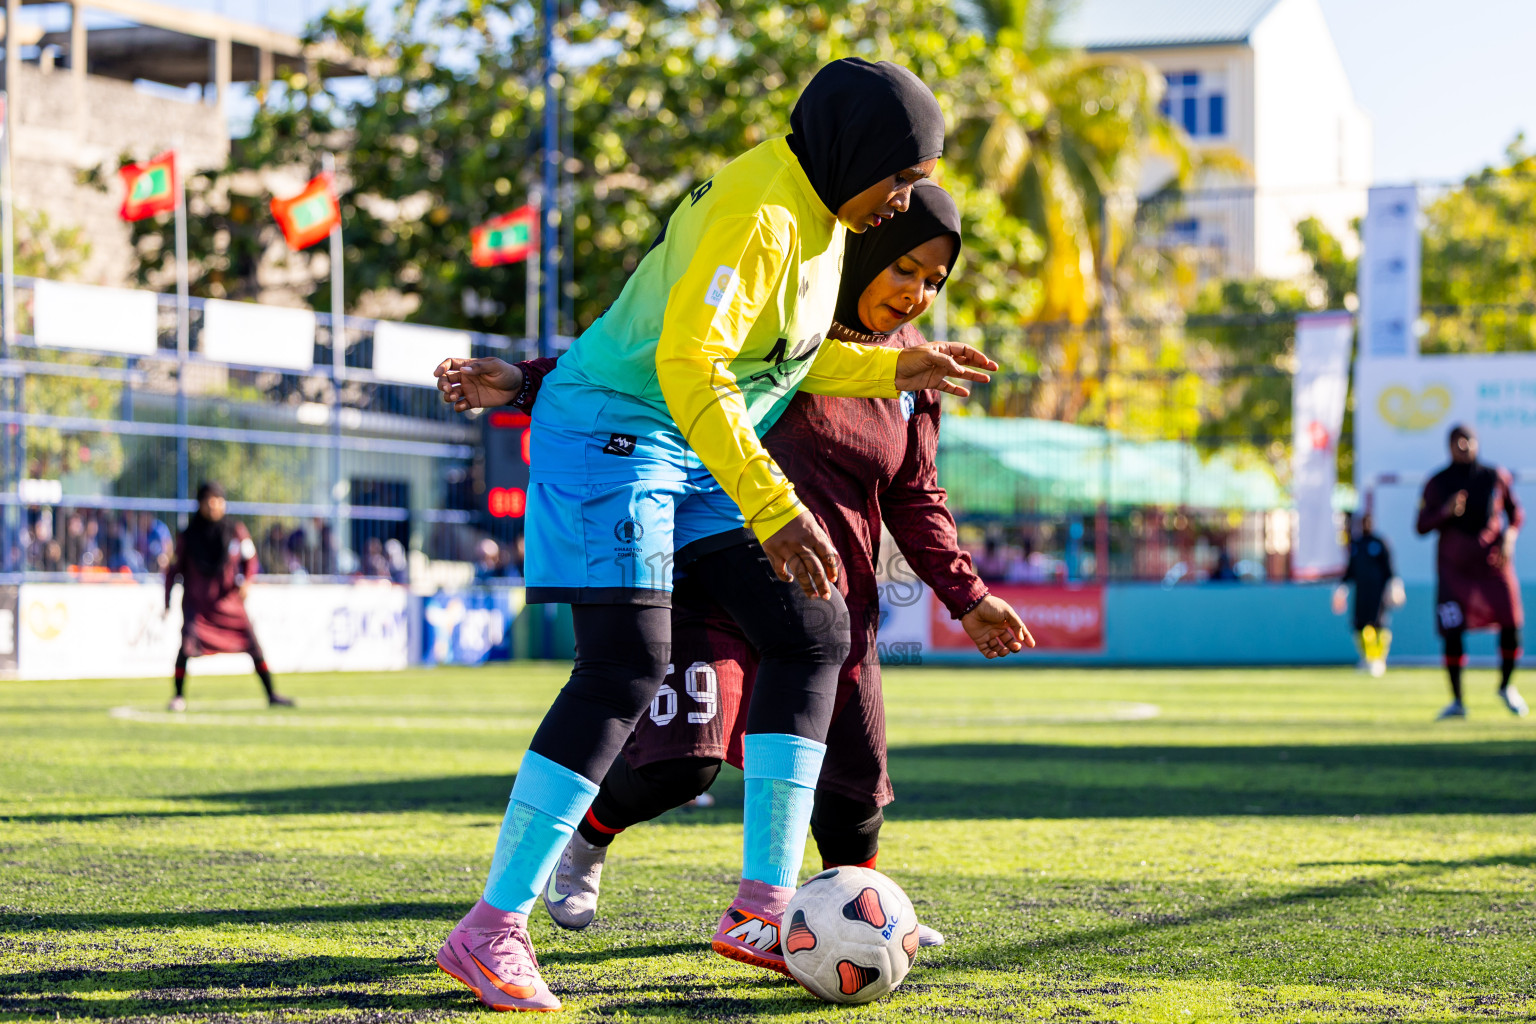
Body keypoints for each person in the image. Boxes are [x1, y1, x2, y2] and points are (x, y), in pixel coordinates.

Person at [432, 58, 995, 1011]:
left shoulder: (817, 216)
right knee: (623, 668)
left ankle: (762, 909)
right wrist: (774, 509)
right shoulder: (760, 216)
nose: (905, 203)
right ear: (856, 150)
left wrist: (895, 372)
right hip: (616, 434)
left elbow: (790, 360)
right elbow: (689, 364)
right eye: (902, 180)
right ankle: (491, 930)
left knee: (811, 633)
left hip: (681, 443)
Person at [508, 180, 1032, 957]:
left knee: (854, 793)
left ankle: (859, 919)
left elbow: (915, 495)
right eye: (905, 269)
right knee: (679, 768)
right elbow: (655, 363)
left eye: (934, 282)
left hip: (831, 596)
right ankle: (589, 835)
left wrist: (970, 596)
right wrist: (524, 382)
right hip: (714, 575)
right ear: (864, 252)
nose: (918, 294)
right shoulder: (785, 316)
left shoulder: (914, 374)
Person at [1415, 424, 1525, 719]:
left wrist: (1510, 536)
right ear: (1448, 446)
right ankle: (1457, 701)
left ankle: (1506, 685)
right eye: (1456, 441)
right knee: (1452, 630)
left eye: (1468, 440)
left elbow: (1516, 514)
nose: (1463, 446)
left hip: (1492, 565)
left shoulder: (1494, 476)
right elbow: (1421, 525)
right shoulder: (1438, 482)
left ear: (1476, 443)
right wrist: (1445, 512)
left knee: (1511, 622)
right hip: (1454, 569)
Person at [163, 482, 294, 712]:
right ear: (200, 504)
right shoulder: (188, 536)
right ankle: (178, 696)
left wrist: (248, 580)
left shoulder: (235, 531)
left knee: (253, 645)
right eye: (208, 500)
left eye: (218, 500)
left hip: (229, 602)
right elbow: (173, 570)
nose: (214, 505)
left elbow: (250, 559)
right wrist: (167, 600)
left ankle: (272, 694)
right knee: (186, 647)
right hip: (198, 604)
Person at [1332, 513, 1398, 677]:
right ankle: (1368, 658)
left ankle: (1378, 659)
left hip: (1378, 594)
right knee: (1360, 626)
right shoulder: (1356, 545)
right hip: (1361, 593)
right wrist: (1341, 589)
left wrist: (1394, 586)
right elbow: (1350, 571)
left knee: (1379, 625)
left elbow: (1389, 568)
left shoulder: (1380, 542)